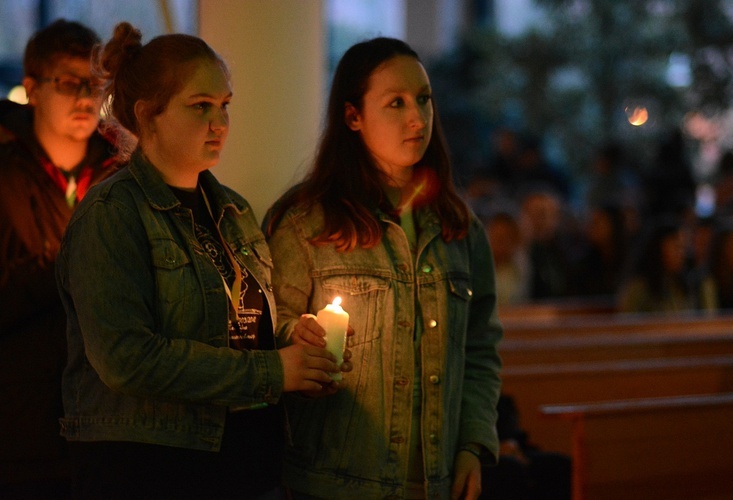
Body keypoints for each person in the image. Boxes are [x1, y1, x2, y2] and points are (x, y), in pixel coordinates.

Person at [55, 22, 346, 499]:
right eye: (200, 107)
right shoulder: (113, 214)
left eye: (225, 105)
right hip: (151, 467)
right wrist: (276, 372)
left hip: (243, 461)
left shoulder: (231, 210)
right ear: (148, 115)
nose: (219, 123)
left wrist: (299, 339)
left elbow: (241, 325)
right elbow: (126, 359)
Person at [264, 37, 503, 499]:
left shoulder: (457, 227)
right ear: (353, 116)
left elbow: (479, 349)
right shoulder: (307, 224)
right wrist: (299, 338)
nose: (417, 118)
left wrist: (473, 445)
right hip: (338, 482)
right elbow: (265, 333)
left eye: (424, 99)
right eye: (396, 103)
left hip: (435, 481)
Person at [0, 19, 118, 497]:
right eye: (69, 83)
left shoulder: (122, 176)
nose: (86, 99)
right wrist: (69, 272)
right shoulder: (6, 176)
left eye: (95, 84)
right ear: (32, 89)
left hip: (104, 421)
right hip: (20, 419)